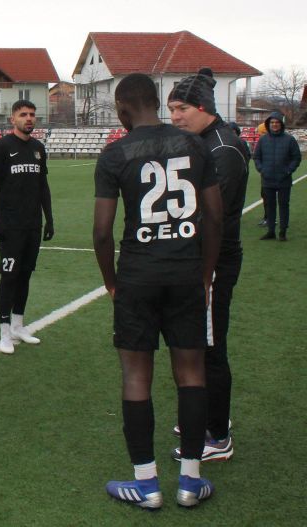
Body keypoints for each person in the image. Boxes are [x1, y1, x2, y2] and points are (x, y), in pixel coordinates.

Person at [93, 73, 223, 508]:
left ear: (123, 109)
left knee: (136, 376)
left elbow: (101, 232)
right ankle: (190, 481)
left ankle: (146, 484)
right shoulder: (195, 145)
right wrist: (206, 275)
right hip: (186, 274)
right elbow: (215, 217)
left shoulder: (115, 153)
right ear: (157, 102)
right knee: (192, 373)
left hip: (137, 276)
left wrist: (111, 282)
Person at [168, 68, 250, 462]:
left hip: (212, 263)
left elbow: (212, 218)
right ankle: (205, 415)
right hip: (197, 260)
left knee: (210, 347)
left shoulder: (223, 150)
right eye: (171, 109)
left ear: (203, 108)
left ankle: (218, 435)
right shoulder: (202, 142)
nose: (175, 117)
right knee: (197, 344)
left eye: (181, 108)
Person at [0, 100, 53, 354]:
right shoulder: (1, 147)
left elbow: (43, 186)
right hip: (10, 226)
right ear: (12, 119)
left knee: (25, 275)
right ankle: (4, 332)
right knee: (9, 276)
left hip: (32, 225)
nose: (29, 118)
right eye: (23, 114)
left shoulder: (38, 148)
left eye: (32, 114)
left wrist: (49, 218)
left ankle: (18, 326)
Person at [253, 111, 301, 241]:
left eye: (277, 122)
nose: (274, 125)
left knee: (284, 205)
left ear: (281, 124)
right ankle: (271, 231)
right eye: (272, 122)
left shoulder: (289, 140)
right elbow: (256, 157)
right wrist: (262, 169)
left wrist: (288, 170)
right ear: (268, 124)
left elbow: (296, 158)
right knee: (270, 206)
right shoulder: (263, 140)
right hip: (267, 179)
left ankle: (282, 232)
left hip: (284, 179)